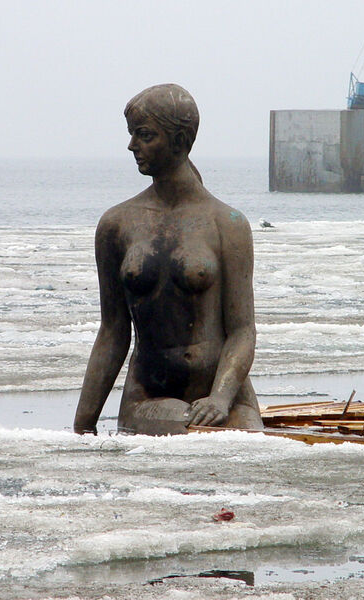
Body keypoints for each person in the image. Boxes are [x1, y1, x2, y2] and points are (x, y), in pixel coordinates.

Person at [73, 84, 263, 435]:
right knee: (184, 426)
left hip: (224, 397)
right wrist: (83, 425)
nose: (132, 146)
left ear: (179, 141)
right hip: (149, 395)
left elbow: (242, 330)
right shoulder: (117, 224)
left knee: (244, 439)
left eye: (145, 135)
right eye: (132, 134)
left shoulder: (228, 224)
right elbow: (113, 332)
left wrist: (220, 398)